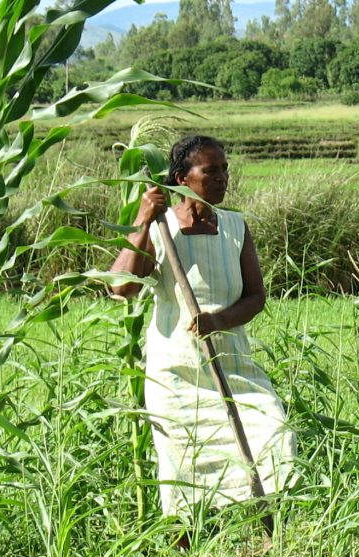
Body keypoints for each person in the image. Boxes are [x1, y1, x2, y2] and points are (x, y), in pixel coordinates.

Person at [110, 134, 295, 528]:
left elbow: (256, 296)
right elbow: (121, 287)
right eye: (210, 171)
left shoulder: (234, 227)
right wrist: (143, 220)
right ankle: (185, 555)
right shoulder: (161, 228)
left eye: (225, 169)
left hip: (233, 366)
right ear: (181, 178)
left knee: (273, 437)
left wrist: (218, 320)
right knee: (183, 469)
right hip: (176, 375)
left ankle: (268, 538)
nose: (222, 178)